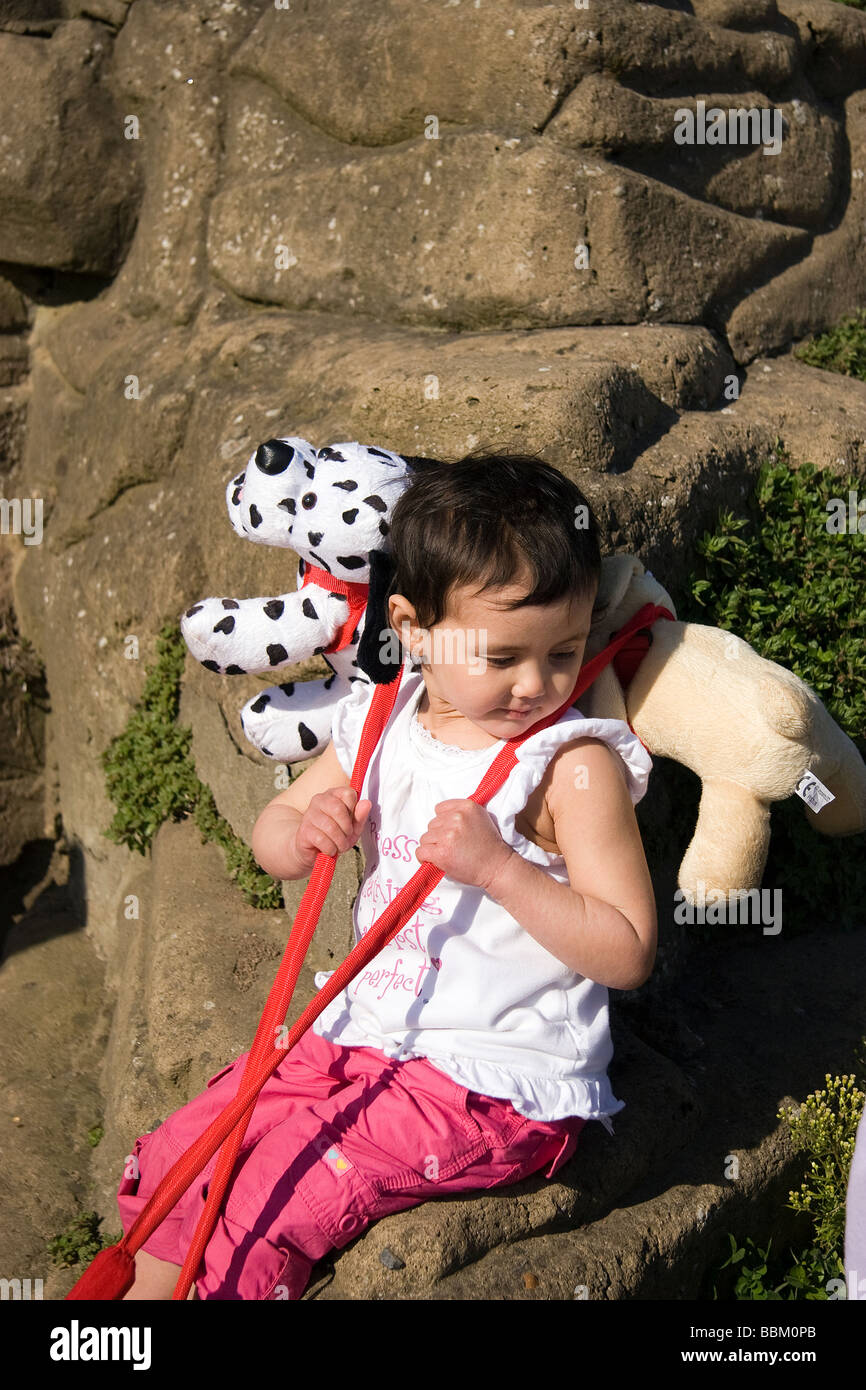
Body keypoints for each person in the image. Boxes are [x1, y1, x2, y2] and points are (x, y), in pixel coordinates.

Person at [117, 451, 657, 1300]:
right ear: (410, 628)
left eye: (566, 650)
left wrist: (503, 871)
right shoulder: (381, 719)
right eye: (502, 656)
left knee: (270, 1203)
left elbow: (626, 950)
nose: (537, 684)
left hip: (490, 1082)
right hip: (364, 1034)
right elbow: (275, 831)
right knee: (188, 1150)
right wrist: (306, 833)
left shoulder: (569, 766)